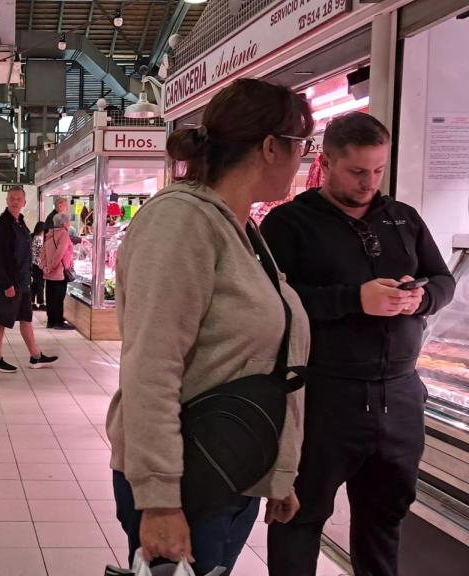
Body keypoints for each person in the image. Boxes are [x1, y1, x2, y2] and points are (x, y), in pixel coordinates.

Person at [107, 78, 314, 574]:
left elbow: (255, 358)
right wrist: (158, 502)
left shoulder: (239, 228)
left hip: (227, 470)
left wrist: (277, 473)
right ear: (270, 147)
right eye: (302, 147)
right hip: (187, 478)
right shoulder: (181, 222)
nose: (304, 160)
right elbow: (152, 366)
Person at [262, 112, 456, 576]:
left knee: (385, 520)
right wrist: (354, 300)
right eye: (357, 172)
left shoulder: (403, 218)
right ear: (326, 163)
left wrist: (421, 298)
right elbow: (272, 303)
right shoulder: (289, 223)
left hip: (400, 395)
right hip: (325, 395)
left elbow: (444, 280)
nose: (370, 182)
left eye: (378, 170)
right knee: (300, 518)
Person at [0, 187, 58, 373]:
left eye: (19, 199)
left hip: (23, 281)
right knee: (1, 320)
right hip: (9, 283)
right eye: (12, 198)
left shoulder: (20, 222)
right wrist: (6, 284)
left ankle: (35, 356)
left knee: (26, 318)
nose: (15, 201)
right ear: (7, 200)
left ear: (24, 202)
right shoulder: (1, 225)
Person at [42, 212, 74, 330]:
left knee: (50, 297)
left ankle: (50, 321)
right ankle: (58, 322)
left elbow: (43, 253)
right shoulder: (64, 234)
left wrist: (45, 267)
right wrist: (51, 266)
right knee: (58, 298)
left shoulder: (50, 234)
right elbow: (60, 252)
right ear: (64, 223)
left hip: (49, 273)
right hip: (59, 272)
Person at [30, 222, 47, 311]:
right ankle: (41, 303)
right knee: (40, 284)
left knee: (35, 284)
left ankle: (32, 302)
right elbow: (41, 253)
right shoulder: (39, 239)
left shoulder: (33, 237)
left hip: (33, 264)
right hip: (39, 265)